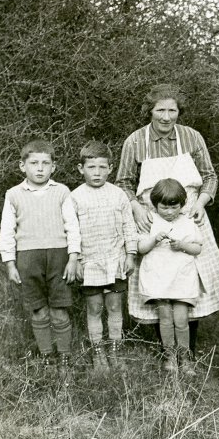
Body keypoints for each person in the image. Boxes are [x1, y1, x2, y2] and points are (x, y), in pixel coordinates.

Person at [116, 84, 219, 353]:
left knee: (190, 280)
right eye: (160, 110)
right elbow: (123, 182)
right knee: (159, 280)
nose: (166, 117)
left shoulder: (192, 137)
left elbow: (210, 176)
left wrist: (201, 202)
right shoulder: (135, 141)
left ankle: (189, 349)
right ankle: (163, 350)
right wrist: (136, 208)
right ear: (149, 111)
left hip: (189, 216)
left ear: (179, 112)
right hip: (151, 218)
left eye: (172, 110)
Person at [0, 139, 81, 372]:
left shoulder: (62, 191)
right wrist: (10, 263)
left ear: (53, 167)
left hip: (59, 257)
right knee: (38, 309)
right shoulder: (14, 194)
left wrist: (73, 257)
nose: (40, 168)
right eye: (34, 163)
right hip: (27, 258)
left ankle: (64, 358)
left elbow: (72, 226)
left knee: (59, 309)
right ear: (22, 166)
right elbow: (7, 230)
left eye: (46, 163)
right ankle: (47, 357)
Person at [71, 141, 138, 373]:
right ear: (81, 169)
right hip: (90, 263)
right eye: (91, 167)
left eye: (102, 167)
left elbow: (129, 226)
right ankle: (98, 356)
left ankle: (116, 352)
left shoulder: (118, 194)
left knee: (114, 307)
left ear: (110, 168)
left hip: (115, 261)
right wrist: (77, 259)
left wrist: (130, 254)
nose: (97, 172)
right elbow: (72, 232)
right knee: (94, 308)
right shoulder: (75, 197)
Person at [138, 179, 202, 375]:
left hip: (181, 278)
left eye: (173, 207)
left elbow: (198, 248)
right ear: (155, 205)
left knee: (181, 320)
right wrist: (153, 240)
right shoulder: (149, 221)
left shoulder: (188, 222)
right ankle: (169, 357)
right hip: (158, 278)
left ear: (182, 204)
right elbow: (141, 248)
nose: (168, 212)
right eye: (163, 207)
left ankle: (185, 357)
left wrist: (182, 245)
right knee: (165, 319)